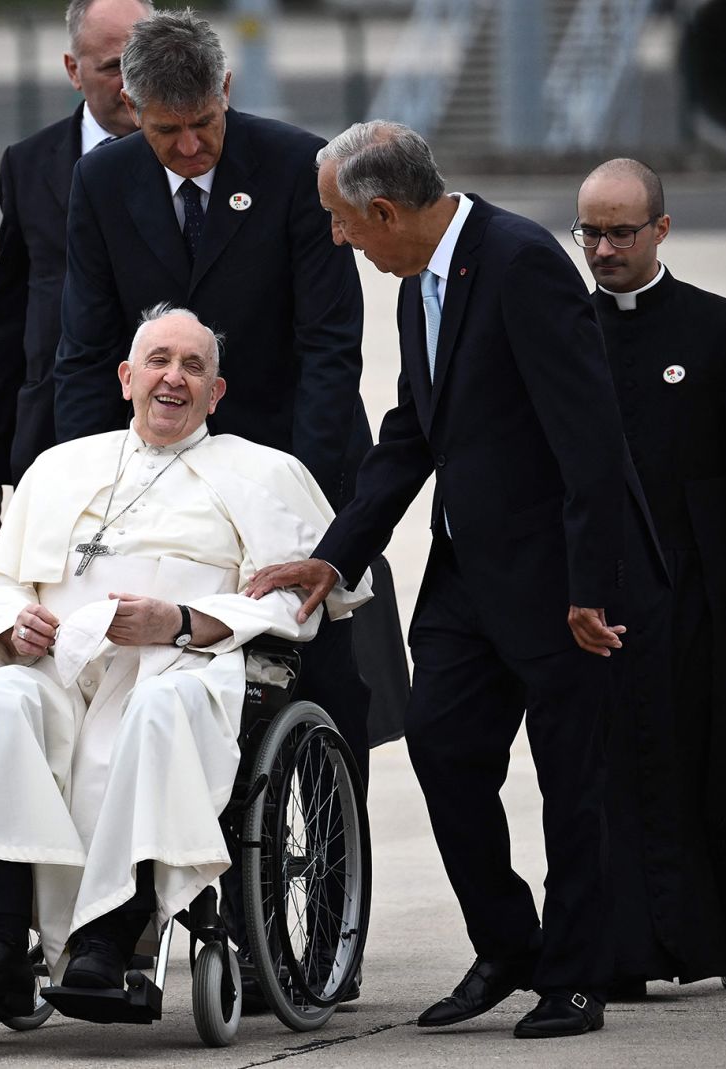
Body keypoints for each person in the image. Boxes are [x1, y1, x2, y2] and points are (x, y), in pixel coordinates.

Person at [246, 121, 665, 1040]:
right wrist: (336, 551)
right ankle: (509, 942)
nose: (338, 238)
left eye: (342, 221)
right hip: (467, 578)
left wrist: (592, 585)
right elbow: (414, 432)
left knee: (571, 780)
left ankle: (575, 975)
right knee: (441, 747)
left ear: (385, 210)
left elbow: (590, 437)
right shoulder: (419, 286)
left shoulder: (519, 262)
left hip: (560, 581)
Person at [0, 305, 369, 1011]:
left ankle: (110, 939)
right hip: (60, 668)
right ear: (126, 378)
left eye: (192, 366)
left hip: (178, 670)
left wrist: (179, 620)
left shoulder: (264, 472)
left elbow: (296, 602)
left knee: (153, 712)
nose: (172, 378)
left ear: (217, 393)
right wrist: (13, 626)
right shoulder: (58, 468)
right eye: (157, 361)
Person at [55, 6, 398, 788]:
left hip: (297, 452)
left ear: (228, 89)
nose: (187, 147)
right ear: (132, 110)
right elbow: (84, 352)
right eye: (166, 130)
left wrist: (298, 504)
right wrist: (81, 486)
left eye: (204, 124)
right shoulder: (101, 180)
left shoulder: (296, 168)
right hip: (163, 476)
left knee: (326, 694)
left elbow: (329, 350)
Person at [574, 158, 726, 996]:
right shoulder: (566, 330)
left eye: (619, 232)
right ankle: (628, 951)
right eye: (589, 232)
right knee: (615, 779)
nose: (602, 249)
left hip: (704, 593)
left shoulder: (723, 331)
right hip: (605, 597)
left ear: (661, 230)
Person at [0, 0, 152, 532]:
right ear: (73, 71)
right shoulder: (29, 164)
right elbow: (8, 321)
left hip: (171, 427)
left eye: (142, 61)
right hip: (55, 433)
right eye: (110, 67)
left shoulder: (194, 152)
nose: (130, 83)